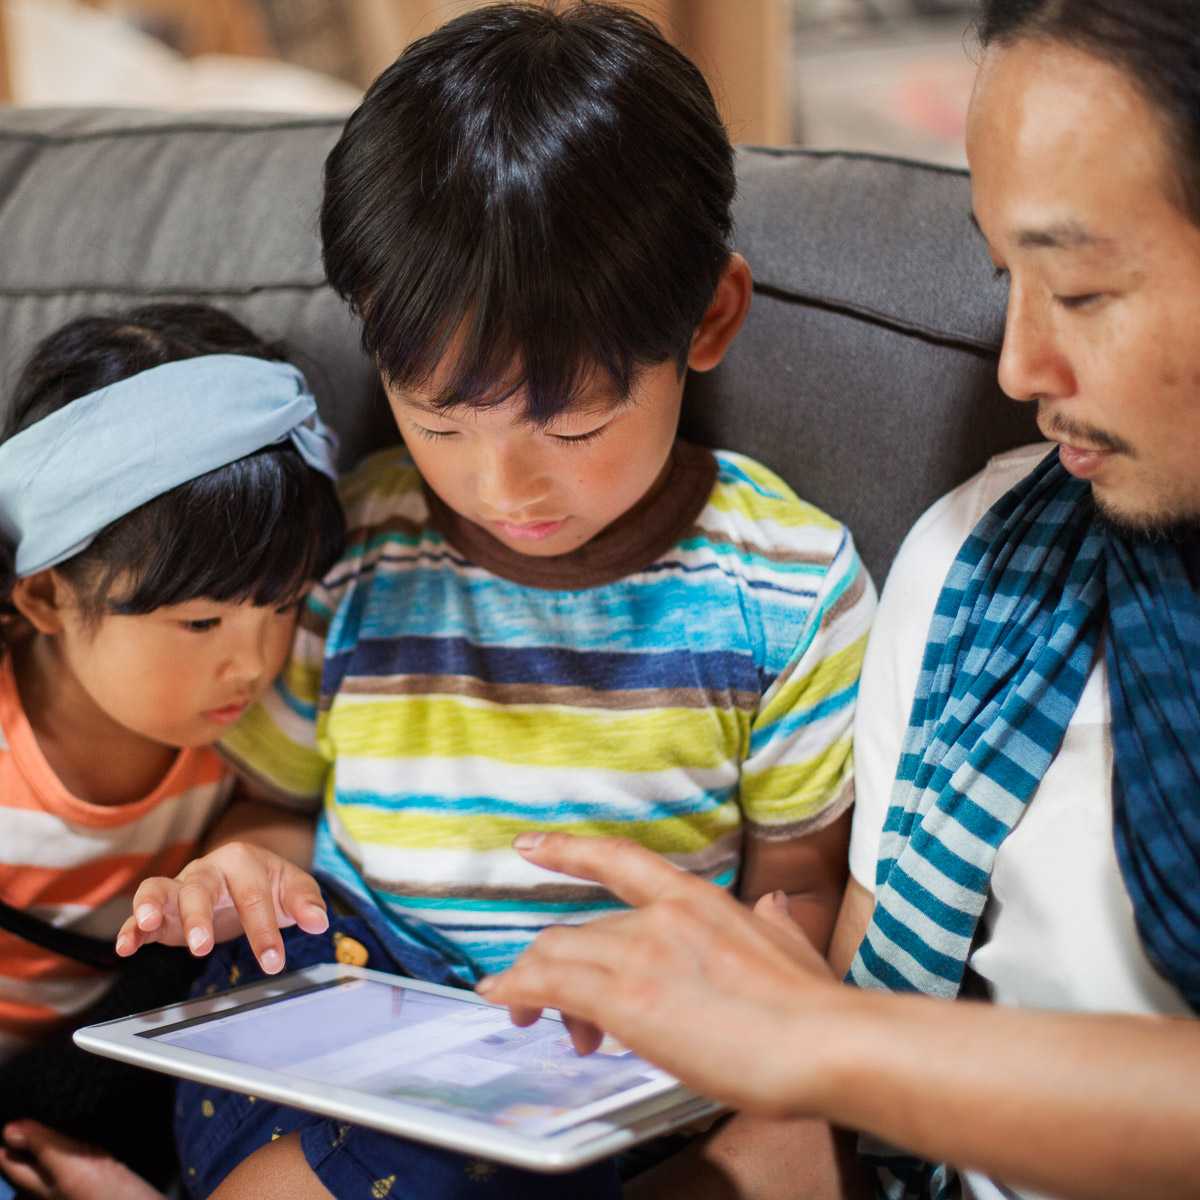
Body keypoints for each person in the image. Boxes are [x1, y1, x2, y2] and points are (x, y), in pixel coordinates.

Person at [481, 2, 1200, 1198]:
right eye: (1001, 277)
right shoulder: (983, 568)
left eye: (1078, 292)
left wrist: (825, 1043)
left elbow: (844, 1049)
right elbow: (837, 1118)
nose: (1019, 367)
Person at [161, 4, 875, 1198]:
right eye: (437, 420)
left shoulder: (783, 588)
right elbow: (269, 810)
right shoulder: (349, 551)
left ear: (709, 320)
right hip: (357, 1006)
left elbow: (797, 886)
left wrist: (733, 985)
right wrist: (243, 872)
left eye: (576, 424)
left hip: (609, 1054)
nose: (504, 486)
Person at [0, 303, 344, 1198]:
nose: (255, 658)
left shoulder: (251, 730)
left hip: (125, 1095)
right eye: (199, 621)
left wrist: (249, 868)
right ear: (43, 599)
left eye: (283, 604)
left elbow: (283, 837)